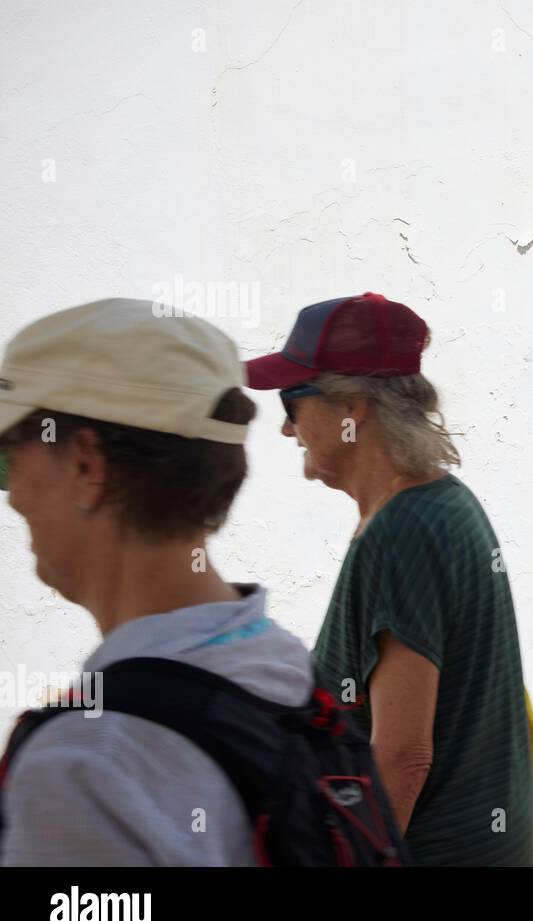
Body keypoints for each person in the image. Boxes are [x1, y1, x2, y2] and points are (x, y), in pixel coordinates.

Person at [245, 291, 533, 866]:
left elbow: (403, 759)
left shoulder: (404, 532)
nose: (286, 430)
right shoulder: (438, 504)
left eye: (292, 401)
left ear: (353, 408)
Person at [0, 298, 321, 865]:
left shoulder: (87, 764)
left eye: (8, 457)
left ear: (85, 466)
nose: (11, 494)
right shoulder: (278, 663)